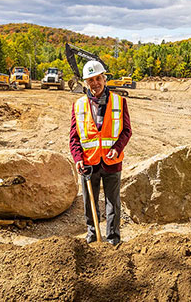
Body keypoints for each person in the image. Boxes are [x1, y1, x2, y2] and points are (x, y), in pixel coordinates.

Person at [69, 60, 132, 246]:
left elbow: (126, 131)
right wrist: (78, 158)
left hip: (112, 162)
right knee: (90, 202)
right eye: (90, 80)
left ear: (104, 79)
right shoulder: (78, 105)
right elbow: (73, 136)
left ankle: (113, 239)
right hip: (88, 163)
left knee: (113, 203)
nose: (95, 83)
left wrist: (117, 148)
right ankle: (93, 236)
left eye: (98, 78)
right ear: (86, 83)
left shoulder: (120, 102)